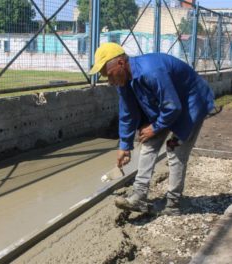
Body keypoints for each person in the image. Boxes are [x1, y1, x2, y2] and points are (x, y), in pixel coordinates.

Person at [89, 43, 215, 215]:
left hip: (189, 104)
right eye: (107, 78)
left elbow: (173, 106)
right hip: (165, 105)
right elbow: (127, 113)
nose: (110, 82)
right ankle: (139, 195)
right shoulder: (123, 81)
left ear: (120, 63)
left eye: (110, 75)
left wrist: (155, 127)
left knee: (175, 149)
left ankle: (173, 203)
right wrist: (124, 146)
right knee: (147, 142)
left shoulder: (151, 71)